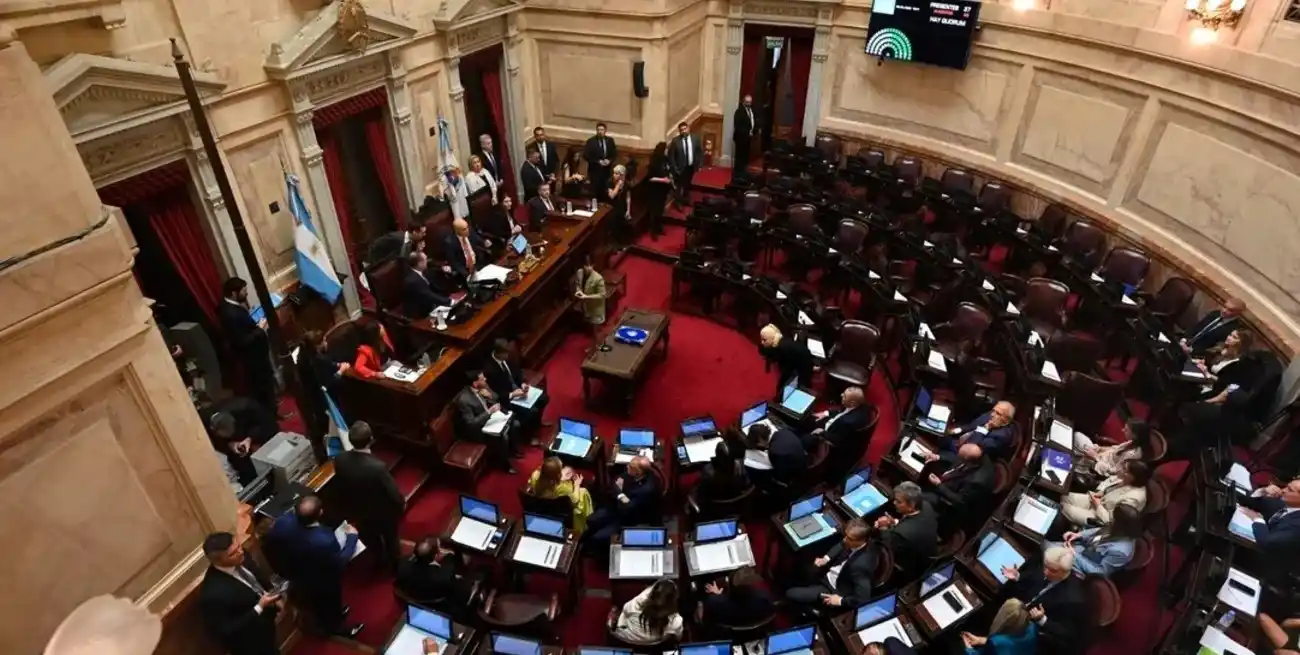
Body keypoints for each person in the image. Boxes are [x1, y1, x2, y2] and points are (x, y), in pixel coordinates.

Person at [263, 495, 364, 637]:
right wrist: (352, 538)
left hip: (297, 574)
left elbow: (272, 546)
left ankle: (333, 615)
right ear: (321, 512)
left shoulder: (282, 523)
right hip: (322, 579)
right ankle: (336, 627)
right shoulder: (324, 541)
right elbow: (339, 562)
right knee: (329, 600)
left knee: (317, 602)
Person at [333, 421, 404, 571]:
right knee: (391, 539)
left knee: (371, 540)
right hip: (383, 513)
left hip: (359, 512)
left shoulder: (340, 460)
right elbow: (393, 493)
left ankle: (380, 562)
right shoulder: (377, 467)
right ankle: (396, 566)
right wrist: (400, 504)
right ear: (371, 439)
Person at [199, 532, 282, 655]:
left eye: (238, 546)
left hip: (268, 625)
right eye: (233, 553)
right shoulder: (213, 594)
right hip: (251, 643)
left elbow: (257, 573)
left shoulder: (242, 555)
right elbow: (227, 631)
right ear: (217, 561)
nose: (240, 552)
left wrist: (272, 592)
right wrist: (259, 608)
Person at [1000, 548, 1086, 655]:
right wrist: (1017, 576)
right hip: (1020, 608)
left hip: (1037, 632)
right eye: (1045, 567)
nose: (1046, 572)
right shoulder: (1049, 566)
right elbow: (1032, 581)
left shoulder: (1073, 599)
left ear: (1065, 571)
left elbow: (1068, 633)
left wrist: (1042, 620)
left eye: (1052, 570)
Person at [785, 518, 877, 610]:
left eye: (849, 538)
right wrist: (826, 558)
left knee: (790, 593)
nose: (844, 540)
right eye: (846, 536)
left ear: (861, 540)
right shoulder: (858, 541)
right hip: (829, 572)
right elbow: (841, 545)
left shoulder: (860, 566)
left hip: (832, 588)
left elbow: (863, 599)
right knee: (798, 564)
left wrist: (840, 600)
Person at [217, 277, 277, 414]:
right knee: (263, 388)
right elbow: (241, 341)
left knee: (266, 386)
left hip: (256, 356)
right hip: (253, 360)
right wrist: (259, 329)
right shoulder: (230, 314)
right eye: (244, 291)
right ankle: (271, 416)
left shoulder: (231, 306)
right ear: (234, 293)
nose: (246, 293)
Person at [1052, 504, 1141, 578]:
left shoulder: (1121, 552)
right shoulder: (1118, 529)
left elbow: (1099, 572)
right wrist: (1079, 535)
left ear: (1121, 525)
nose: (1111, 519)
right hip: (1082, 549)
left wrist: (1075, 555)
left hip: (1083, 567)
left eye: (1114, 519)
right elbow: (1100, 530)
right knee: (1046, 545)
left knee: (1046, 550)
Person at [586, 456, 660, 544]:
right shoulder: (631, 472)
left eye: (630, 466)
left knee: (598, 537)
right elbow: (616, 481)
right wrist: (621, 495)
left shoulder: (646, 489)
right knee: (591, 520)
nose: (627, 467)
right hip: (617, 506)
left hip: (630, 518)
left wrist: (619, 492)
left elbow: (628, 507)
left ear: (638, 472)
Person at [454, 370, 516, 473]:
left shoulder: (483, 386)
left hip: (490, 419)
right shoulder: (464, 400)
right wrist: (489, 412)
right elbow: (471, 424)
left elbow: (496, 397)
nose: (485, 379)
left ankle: (512, 451)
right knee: (503, 437)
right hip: (479, 430)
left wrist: (490, 397)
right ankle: (505, 464)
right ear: (475, 383)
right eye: (482, 379)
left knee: (513, 423)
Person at [872, 482, 938, 577]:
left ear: (911, 506)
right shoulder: (926, 506)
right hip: (924, 550)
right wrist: (894, 522)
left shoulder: (903, 533)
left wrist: (883, 528)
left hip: (911, 566)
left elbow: (887, 548)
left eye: (899, 502)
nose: (894, 503)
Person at [484, 339, 549, 432]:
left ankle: (538, 423)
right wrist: (513, 394)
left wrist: (523, 384)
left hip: (519, 390)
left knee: (544, 398)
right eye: (505, 354)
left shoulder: (507, 357)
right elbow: (497, 394)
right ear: (498, 353)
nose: (507, 356)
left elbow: (517, 372)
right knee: (532, 412)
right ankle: (529, 436)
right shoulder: (490, 370)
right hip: (507, 398)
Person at [1061, 459, 1149, 527]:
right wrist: (1101, 491)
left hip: (1099, 517)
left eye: (1124, 469)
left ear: (1131, 477)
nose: (1119, 469)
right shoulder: (1124, 478)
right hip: (1097, 500)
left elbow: (1110, 521)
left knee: (1063, 507)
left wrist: (1098, 506)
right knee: (1063, 497)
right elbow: (1108, 481)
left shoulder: (1134, 499)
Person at [295, 330, 349, 439]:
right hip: (321, 398)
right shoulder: (315, 362)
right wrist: (341, 370)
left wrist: (337, 365)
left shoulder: (304, 355)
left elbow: (326, 362)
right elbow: (328, 382)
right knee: (332, 425)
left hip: (311, 394)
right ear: (316, 346)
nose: (326, 343)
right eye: (324, 341)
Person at [924, 443, 995, 524]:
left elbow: (960, 501)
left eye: (960, 457)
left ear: (967, 461)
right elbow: (956, 459)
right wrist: (937, 457)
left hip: (951, 504)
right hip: (952, 478)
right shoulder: (980, 454)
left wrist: (939, 485)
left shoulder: (977, 482)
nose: (958, 457)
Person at [396, 536, 474, 608]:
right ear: (436, 555)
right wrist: (451, 554)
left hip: (414, 595)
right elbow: (454, 565)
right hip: (440, 603)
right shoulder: (444, 576)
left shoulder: (402, 566)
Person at [1237, 478, 1300, 563]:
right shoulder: (1282, 502)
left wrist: (1257, 519)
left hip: (1268, 566)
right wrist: (1263, 491)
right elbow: (1248, 500)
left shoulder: (1297, 525)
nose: (1284, 490)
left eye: (1290, 490)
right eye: (1287, 486)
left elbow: (1267, 543)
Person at [528, 456, 595, 532]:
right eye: (560, 469)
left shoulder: (535, 475)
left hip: (541, 508)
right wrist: (576, 484)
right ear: (557, 475)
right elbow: (575, 500)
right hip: (562, 512)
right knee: (583, 492)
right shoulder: (562, 487)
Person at [1190, 328, 1256, 399]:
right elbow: (1206, 360)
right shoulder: (1221, 348)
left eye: (1234, 337)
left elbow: (1222, 384)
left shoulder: (1238, 363)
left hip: (1211, 390)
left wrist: (1207, 374)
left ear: (1241, 344)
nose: (1229, 337)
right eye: (1230, 335)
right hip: (1200, 380)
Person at [611, 579, 683, 645]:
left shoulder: (635, 606)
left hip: (623, 640)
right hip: (653, 646)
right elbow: (678, 638)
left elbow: (625, 610)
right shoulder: (676, 621)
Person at [1074, 419, 1150, 479]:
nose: (1122, 430)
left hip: (1097, 466)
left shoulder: (1133, 455)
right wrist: (1099, 449)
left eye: (1126, 430)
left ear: (1135, 435)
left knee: (1074, 447)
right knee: (1077, 435)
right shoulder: (1131, 442)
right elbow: (1114, 449)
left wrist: (1095, 457)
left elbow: (1114, 473)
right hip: (1097, 455)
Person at [939, 401, 1017, 460]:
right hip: (958, 442)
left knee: (935, 453)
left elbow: (972, 445)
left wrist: (986, 427)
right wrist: (955, 430)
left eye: (998, 413)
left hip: (964, 458)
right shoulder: (990, 415)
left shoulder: (1001, 437)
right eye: (993, 410)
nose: (992, 414)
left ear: (1006, 420)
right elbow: (971, 426)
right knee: (937, 433)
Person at [960, 598, 1038, 655]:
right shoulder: (1032, 627)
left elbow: (1000, 645)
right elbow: (1015, 643)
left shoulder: (997, 642)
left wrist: (969, 649)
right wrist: (980, 640)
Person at [701, 567, 775, 626]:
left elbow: (710, 615)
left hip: (726, 634)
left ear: (730, 589)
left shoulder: (715, 603)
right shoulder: (765, 601)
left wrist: (718, 596)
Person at [207, 410, 263, 486]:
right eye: (227, 433)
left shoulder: (240, 414)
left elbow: (259, 425)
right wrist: (229, 445)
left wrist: (249, 439)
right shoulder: (206, 434)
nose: (230, 434)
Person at [758, 324, 813, 392]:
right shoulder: (781, 340)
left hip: (803, 364)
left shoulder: (782, 350)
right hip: (803, 356)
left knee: (800, 386)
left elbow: (787, 371)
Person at [403, 251, 452, 319]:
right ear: (419, 263)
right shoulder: (414, 280)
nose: (427, 262)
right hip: (420, 312)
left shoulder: (420, 271)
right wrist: (449, 301)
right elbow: (428, 295)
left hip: (428, 301)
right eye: (425, 260)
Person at [643, 142, 672, 238]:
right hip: (655, 190)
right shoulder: (654, 162)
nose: (667, 151)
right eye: (666, 149)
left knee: (661, 210)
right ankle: (654, 231)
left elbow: (668, 170)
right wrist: (663, 180)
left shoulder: (665, 159)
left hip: (663, 189)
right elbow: (650, 178)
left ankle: (659, 227)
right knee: (655, 211)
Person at [669, 121, 703, 196]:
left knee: (688, 184)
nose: (684, 131)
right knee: (679, 186)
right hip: (680, 168)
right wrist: (675, 169)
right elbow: (671, 156)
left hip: (691, 167)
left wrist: (700, 164)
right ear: (679, 131)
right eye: (681, 130)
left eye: (685, 129)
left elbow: (699, 152)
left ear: (688, 128)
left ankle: (685, 199)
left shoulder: (695, 138)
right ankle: (678, 201)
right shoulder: (675, 141)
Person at [585, 122, 617, 196]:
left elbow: (614, 154)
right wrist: (598, 161)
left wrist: (609, 160)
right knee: (595, 192)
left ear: (605, 131)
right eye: (598, 130)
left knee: (605, 190)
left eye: (602, 130)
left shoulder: (610, 141)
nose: (600, 132)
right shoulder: (591, 141)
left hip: (607, 171)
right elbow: (586, 155)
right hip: (595, 171)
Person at [574, 255, 607, 326]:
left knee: (595, 323)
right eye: (586, 265)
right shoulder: (579, 272)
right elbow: (577, 283)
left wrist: (586, 296)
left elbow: (602, 295)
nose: (588, 268)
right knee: (586, 318)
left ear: (593, 265)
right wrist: (578, 290)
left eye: (590, 265)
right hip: (584, 304)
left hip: (594, 305)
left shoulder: (598, 278)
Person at [732, 94, 758, 172]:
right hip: (740, 138)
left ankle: (743, 170)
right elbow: (737, 126)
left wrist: (754, 131)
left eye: (750, 102)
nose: (748, 104)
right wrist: (747, 133)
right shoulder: (739, 111)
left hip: (748, 138)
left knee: (745, 156)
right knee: (739, 157)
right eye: (747, 102)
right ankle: (738, 172)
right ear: (744, 102)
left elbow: (752, 121)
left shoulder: (751, 110)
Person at [607, 164, 631, 246]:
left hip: (622, 207)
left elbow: (628, 197)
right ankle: (615, 245)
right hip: (612, 207)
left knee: (622, 226)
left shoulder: (626, 183)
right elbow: (612, 196)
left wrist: (628, 210)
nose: (615, 175)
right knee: (614, 226)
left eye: (617, 174)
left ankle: (622, 244)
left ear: (622, 175)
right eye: (614, 173)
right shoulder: (610, 182)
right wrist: (617, 186)